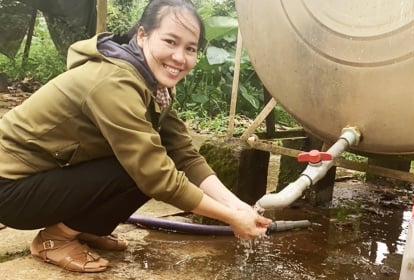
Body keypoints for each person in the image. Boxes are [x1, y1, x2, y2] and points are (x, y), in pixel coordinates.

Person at [0, 0, 271, 273]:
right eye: (170, 41)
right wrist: (230, 218)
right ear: (142, 36)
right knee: (142, 169)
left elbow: (184, 154)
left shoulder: (152, 85)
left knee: (148, 161)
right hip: (10, 189)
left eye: (190, 48)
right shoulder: (114, 83)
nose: (180, 57)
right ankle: (54, 240)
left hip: (43, 177)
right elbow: (158, 176)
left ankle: (83, 227)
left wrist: (239, 206)